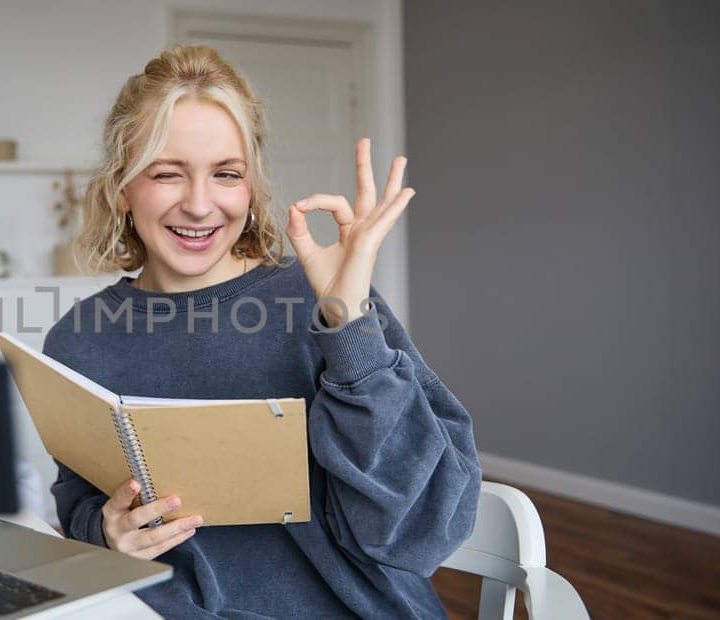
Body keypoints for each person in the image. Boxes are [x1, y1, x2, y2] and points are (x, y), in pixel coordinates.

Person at [43, 44, 481, 618]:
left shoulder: (321, 301)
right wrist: (106, 529)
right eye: (167, 174)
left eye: (226, 174)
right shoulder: (78, 339)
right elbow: (80, 500)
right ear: (123, 187)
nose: (199, 205)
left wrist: (347, 324)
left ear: (251, 189)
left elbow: (420, 531)